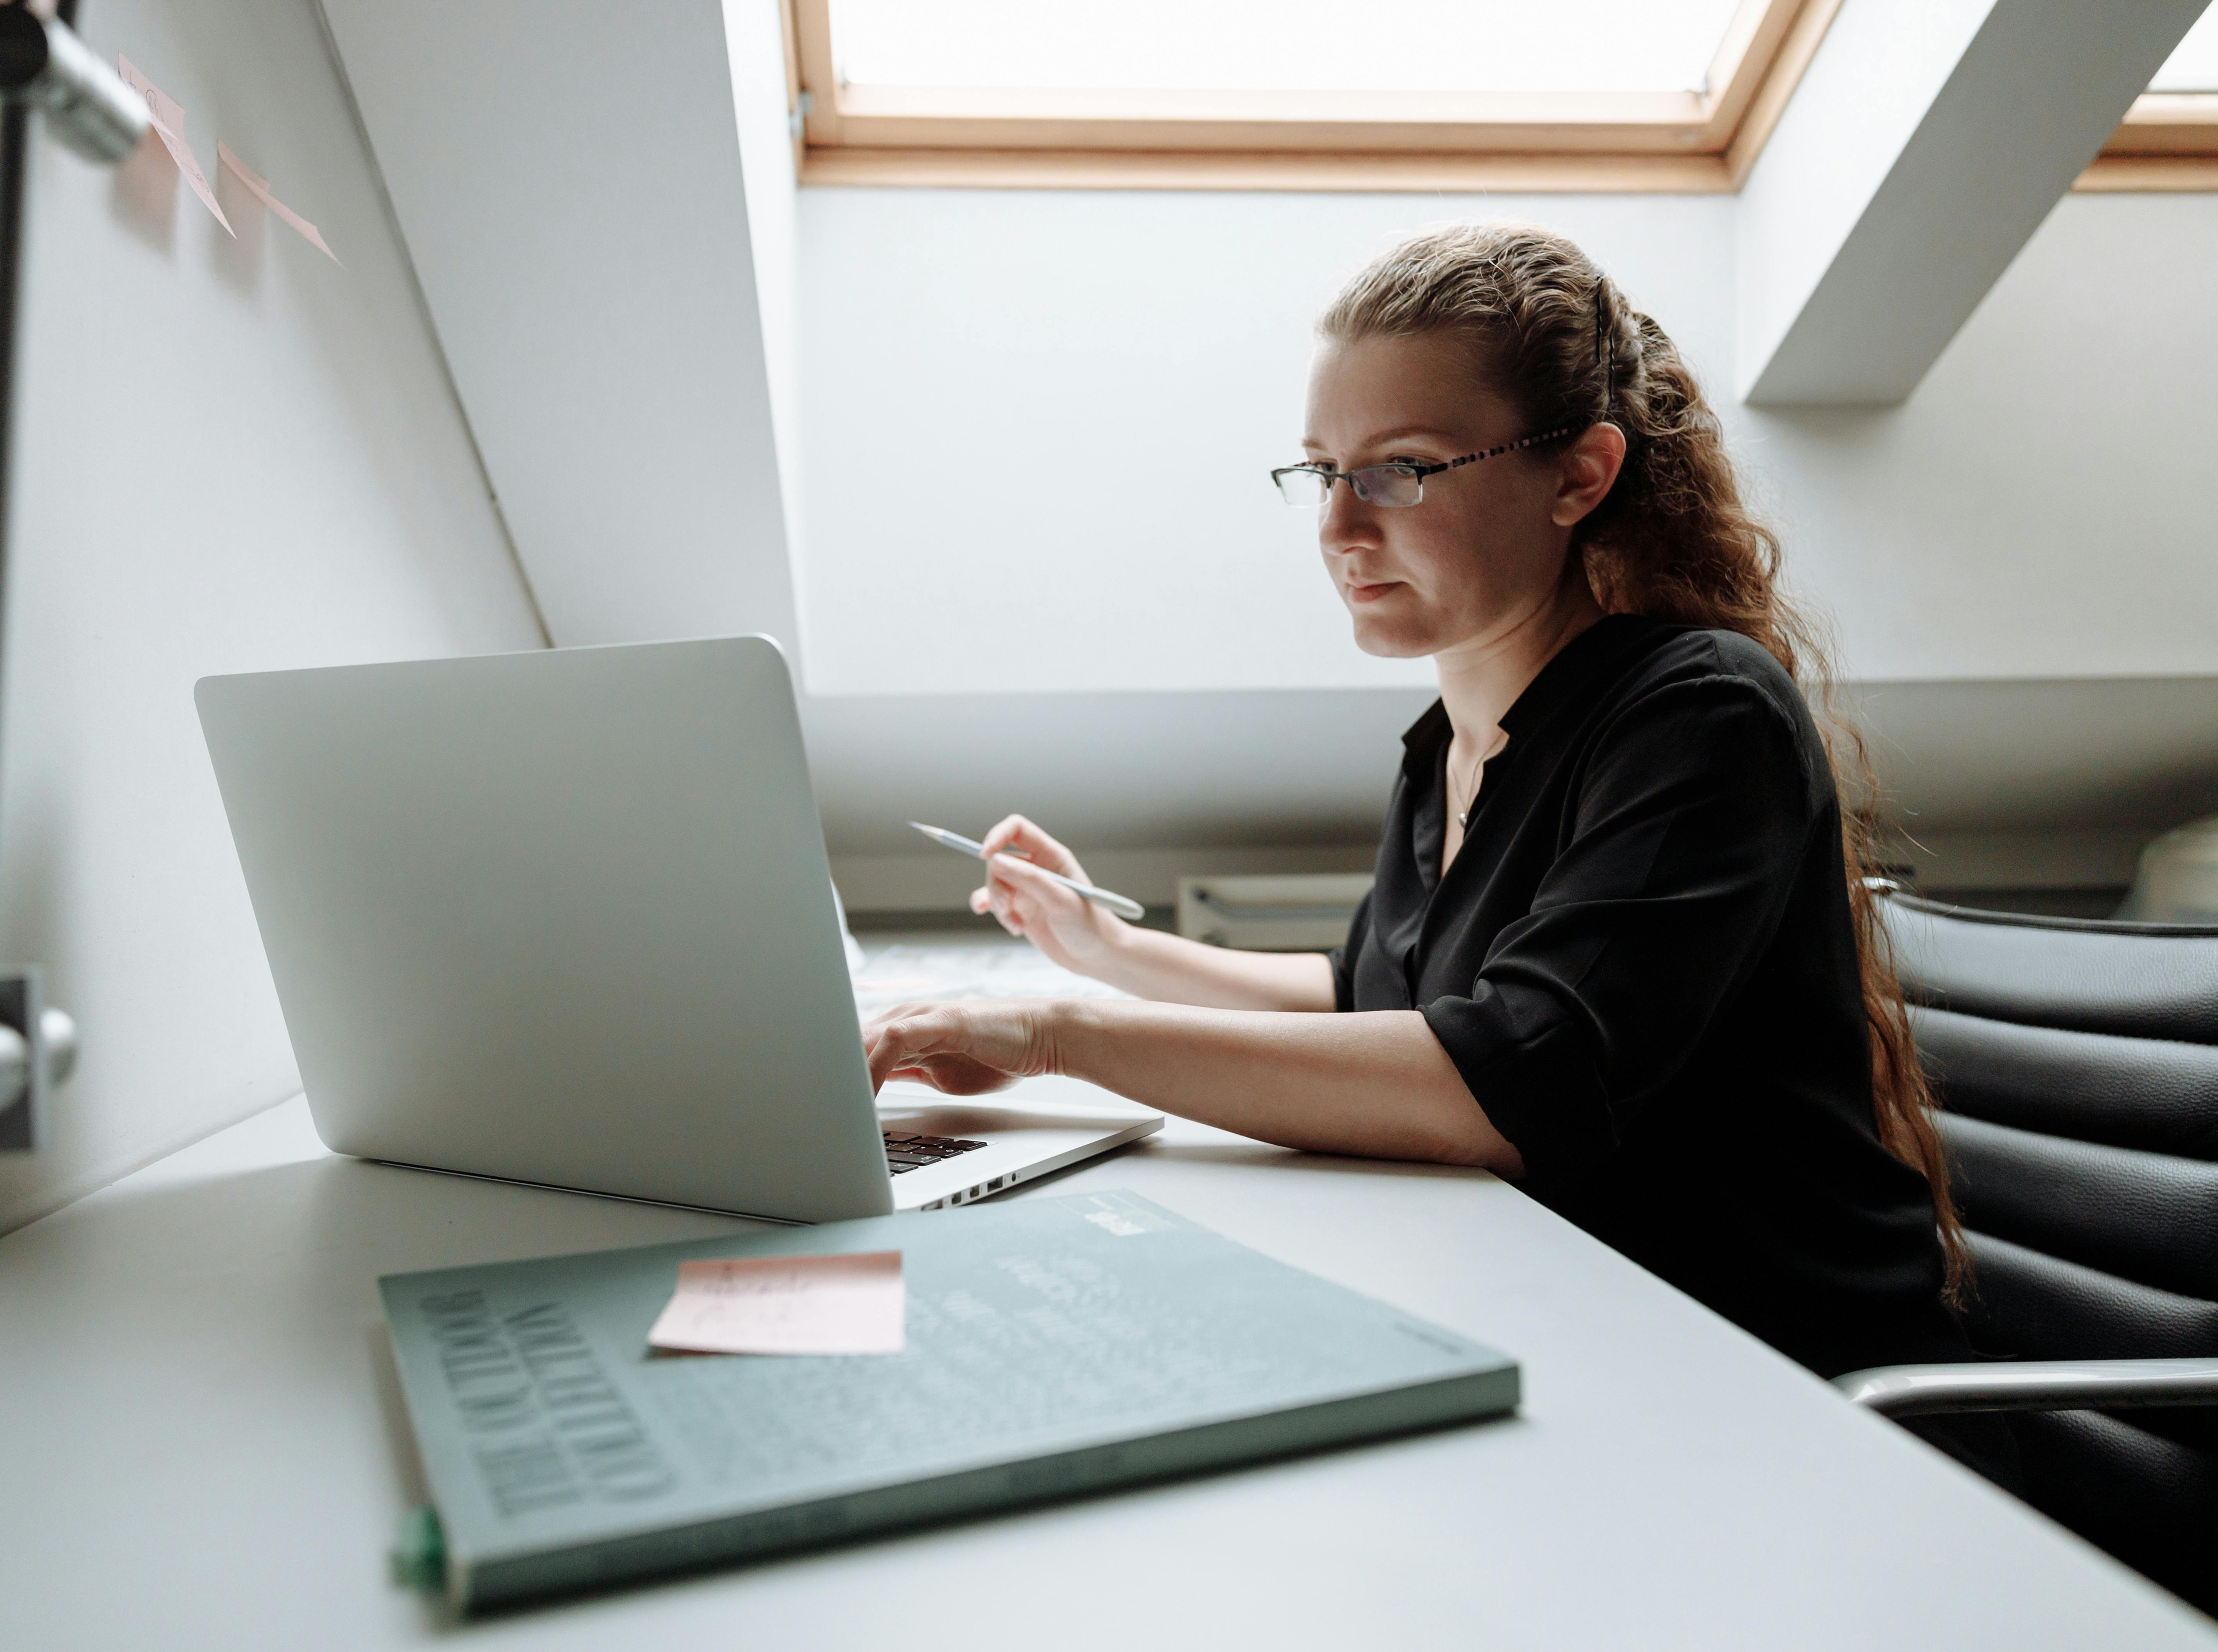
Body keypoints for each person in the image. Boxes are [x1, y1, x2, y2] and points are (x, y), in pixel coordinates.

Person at [860, 221, 2015, 1487]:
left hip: (1775, 1398)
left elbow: (1500, 1081)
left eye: (1402, 471)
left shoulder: (1702, 716)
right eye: (1321, 471)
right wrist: (1112, 952)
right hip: (1578, 1333)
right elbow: (1381, 1003)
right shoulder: (1449, 743)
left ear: (1579, 475)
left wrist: (1057, 1032)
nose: (1340, 529)